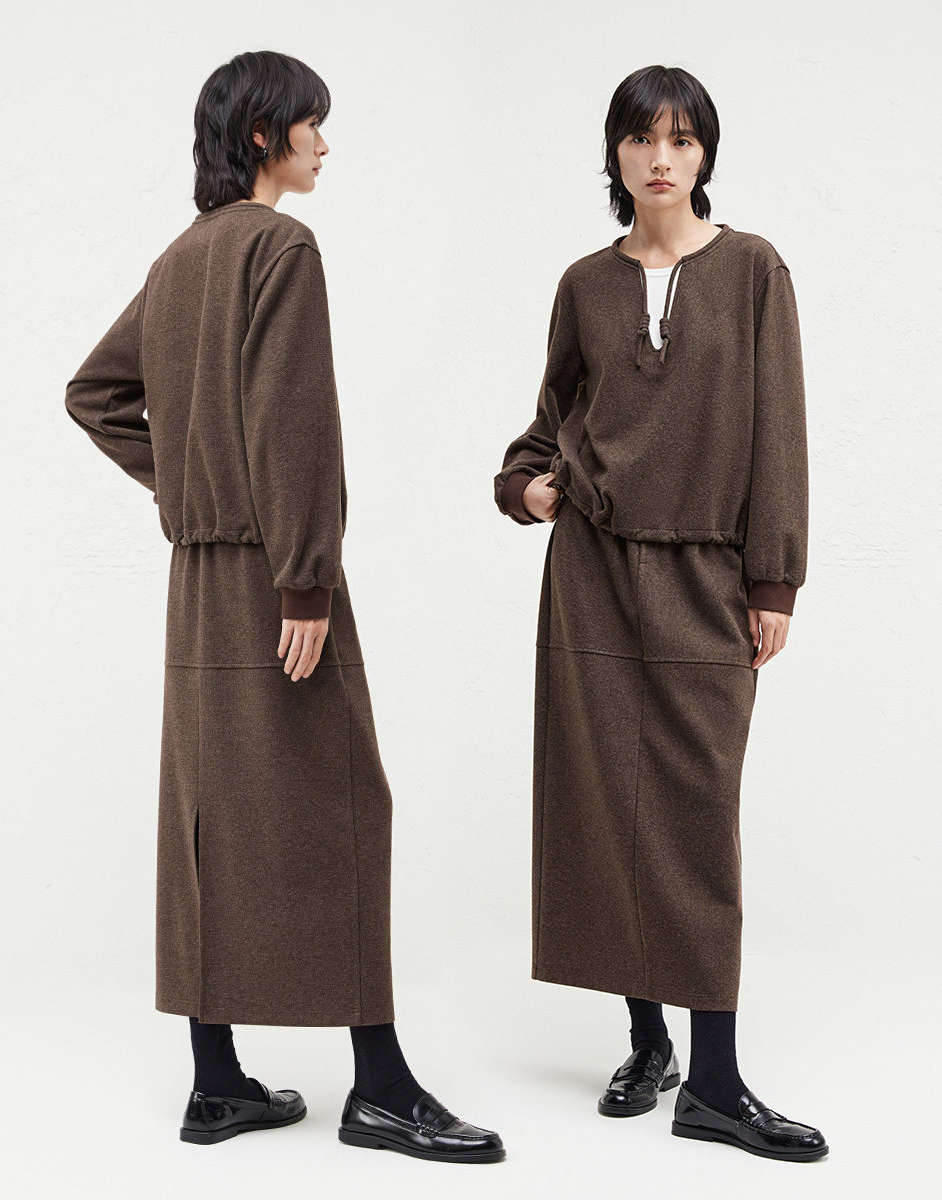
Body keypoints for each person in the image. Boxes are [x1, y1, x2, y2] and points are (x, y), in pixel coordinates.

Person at [64, 49, 503, 1164]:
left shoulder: (179, 260)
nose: (324, 143)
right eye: (313, 123)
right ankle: (382, 1090)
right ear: (265, 134)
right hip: (272, 576)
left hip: (196, 585)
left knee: (209, 816)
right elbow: (293, 423)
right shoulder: (280, 248)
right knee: (347, 805)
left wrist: (186, 483)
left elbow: (96, 394)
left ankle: (216, 1084)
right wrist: (305, 580)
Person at [493, 64, 828, 1162]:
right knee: (606, 814)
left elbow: (779, 428)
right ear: (617, 153)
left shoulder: (753, 270)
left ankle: (716, 1081)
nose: (661, 158)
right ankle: (650, 1045)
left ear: (704, 154)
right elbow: (548, 424)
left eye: (681, 139)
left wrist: (773, 582)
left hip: (705, 579)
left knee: (693, 821)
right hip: (591, 576)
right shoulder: (584, 285)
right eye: (642, 139)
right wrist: (526, 488)